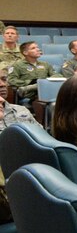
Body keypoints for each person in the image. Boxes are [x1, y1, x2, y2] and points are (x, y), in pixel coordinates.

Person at [0, 69, 36, 223]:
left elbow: (42, 140)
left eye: (3, 79)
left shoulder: (21, 110)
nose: (2, 84)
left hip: (31, 169)